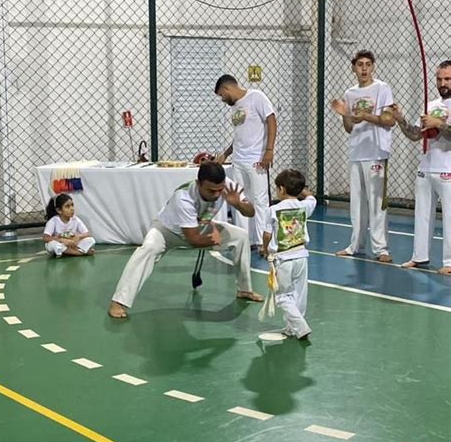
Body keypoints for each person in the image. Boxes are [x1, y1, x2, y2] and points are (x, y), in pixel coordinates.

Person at [108, 161, 264, 318]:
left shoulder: (228, 187)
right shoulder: (183, 198)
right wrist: (215, 240)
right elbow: (193, 240)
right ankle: (119, 302)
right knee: (148, 249)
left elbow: (250, 213)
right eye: (211, 191)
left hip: (200, 227)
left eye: (219, 189)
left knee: (241, 236)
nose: (217, 194)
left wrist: (238, 204)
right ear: (198, 184)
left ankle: (244, 289)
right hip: (167, 231)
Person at [331, 50, 395, 262]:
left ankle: (381, 249)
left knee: (377, 202)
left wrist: (365, 115)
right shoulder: (350, 93)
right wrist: (345, 115)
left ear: (373, 67)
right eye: (360, 65)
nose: (364, 68)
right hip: (356, 153)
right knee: (357, 203)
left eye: (368, 64)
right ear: (354, 68)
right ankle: (355, 245)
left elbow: (388, 120)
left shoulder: (382, 88)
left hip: (377, 152)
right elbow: (350, 127)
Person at [392, 60, 451, 275]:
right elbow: (416, 134)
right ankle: (419, 256)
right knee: (422, 215)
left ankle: (450, 261)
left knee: (450, 218)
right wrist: (400, 119)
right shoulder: (432, 104)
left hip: (448, 169)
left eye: (447, 79)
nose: (442, 83)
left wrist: (440, 125)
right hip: (426, 167)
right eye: (439, 79)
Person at [214, 75, 277, 256]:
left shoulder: (257, 97)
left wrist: (269, 150)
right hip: (239, 161)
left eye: (221, 95)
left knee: (260, 200)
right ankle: (244, 240)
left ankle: (264, 242)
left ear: (227, 89)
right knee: (240, 200)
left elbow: (271, 121)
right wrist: (225, 154)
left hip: (256, 159)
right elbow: (240, 136)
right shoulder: (236, 108)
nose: (222, 99)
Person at [262, 169, 316, 340]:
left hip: (283, 259)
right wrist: (302, 190)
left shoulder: (273, 210)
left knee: (283, 296)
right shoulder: (304, 205)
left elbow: (267, 234)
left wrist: (265, 250)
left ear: (282, 189)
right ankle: (292, 328)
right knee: (299, 293)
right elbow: (311, 197)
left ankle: (300, 326)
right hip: (301, 256)